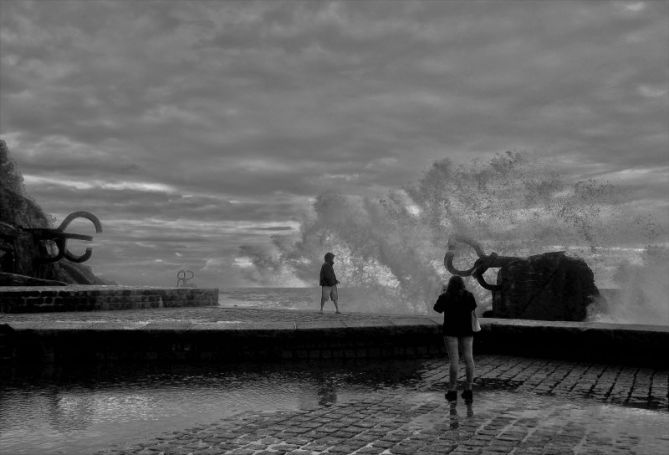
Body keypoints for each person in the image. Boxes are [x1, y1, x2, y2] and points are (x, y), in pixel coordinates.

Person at [433, 275, 477, 404]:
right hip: (466, 330)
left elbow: (437, 309)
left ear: (450, 284)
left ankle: (452, 390)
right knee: (469, 359)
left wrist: (443, 293)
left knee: (454, 360)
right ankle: (468, 388)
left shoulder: (445, 296)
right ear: (462, 284)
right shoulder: (469, 295)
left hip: (450, 330)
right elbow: (473, 308)